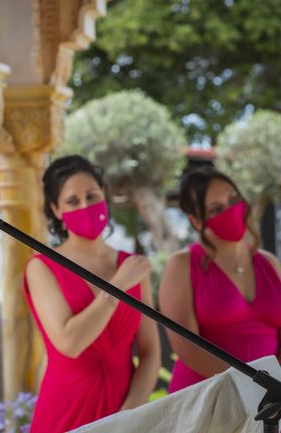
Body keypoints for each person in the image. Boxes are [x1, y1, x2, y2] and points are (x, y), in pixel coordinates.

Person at [23, 155, 160, 432]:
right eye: (73, 201)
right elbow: (70, 343)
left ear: (105, 197)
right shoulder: (42, 267)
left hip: (126, 415)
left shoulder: (133, 266)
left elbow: (150, 352)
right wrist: (118, 286)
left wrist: (128, 417)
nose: (85, 206)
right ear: (56, 210)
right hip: (66, 411)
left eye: (92, 196)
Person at [159, 166, 281, 393]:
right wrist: (252, 386)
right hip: (208, 399)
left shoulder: (271, 264)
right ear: (196, 221)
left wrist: (272, 388)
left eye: (233, 199)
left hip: (269, 404)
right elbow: (188, 349)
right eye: (216, 209)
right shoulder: (182, 265)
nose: (231, 210)